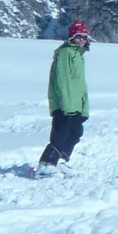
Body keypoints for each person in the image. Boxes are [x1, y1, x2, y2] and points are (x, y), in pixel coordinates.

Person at [38, 19, 92, 172]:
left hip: (75, 103)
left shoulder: (78, 54)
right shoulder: (65, 53)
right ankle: (46, 165)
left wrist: (84, 106)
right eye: (78, 36)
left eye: (84, 36)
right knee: (60, 134)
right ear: (72, 36)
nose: (81, 39)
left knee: (76, 132)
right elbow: (62, 80)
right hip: (64, 103)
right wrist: (66, 104)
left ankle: (60, 161)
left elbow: (80, 84)